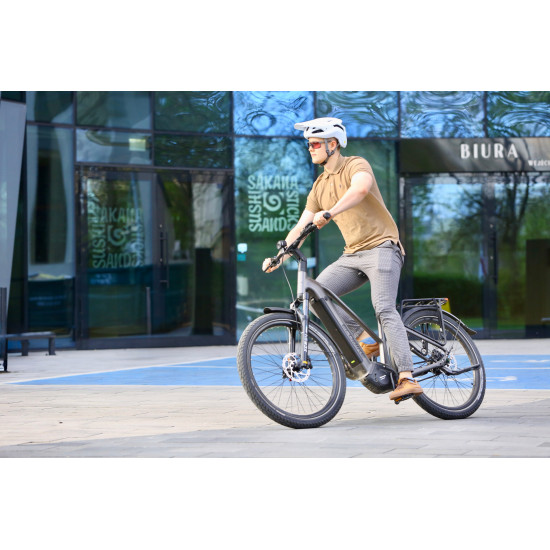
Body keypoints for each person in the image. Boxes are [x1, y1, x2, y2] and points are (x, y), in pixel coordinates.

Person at [261, 117, 422, 402]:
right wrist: (279, 255)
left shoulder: (355, 165)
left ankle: (407, 377)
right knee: (315, 294)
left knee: (383, 307)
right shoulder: (319, 186)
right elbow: (301, 225)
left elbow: (360, 190)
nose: (310, 148)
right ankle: (364, 341)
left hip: (382, 247)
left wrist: (330, 213)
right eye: (309, 144)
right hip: (352, 254)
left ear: (332, 144)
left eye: (314, 144)